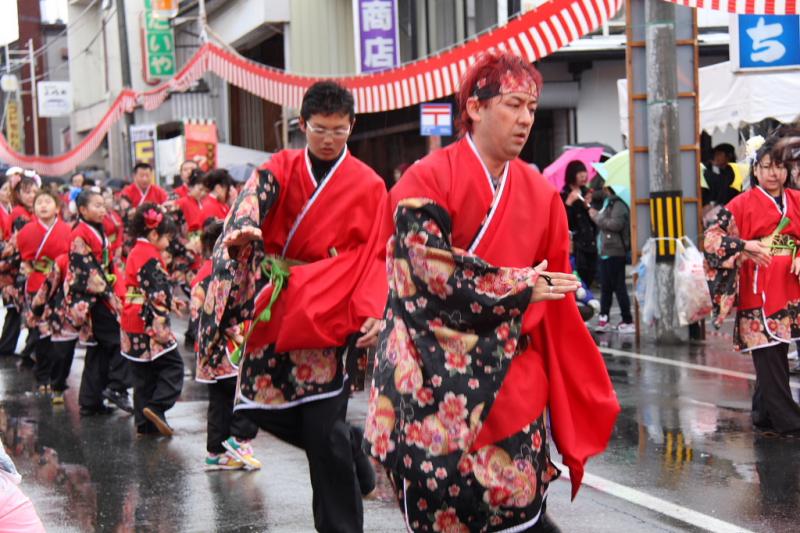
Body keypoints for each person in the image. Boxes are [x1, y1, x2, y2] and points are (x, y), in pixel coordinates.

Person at [363, 51, 619, 532]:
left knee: (519, 516)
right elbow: (425, 274)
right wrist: (520, 285)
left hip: (512, 383)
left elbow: (555, 295)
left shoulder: (541, 195)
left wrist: (571, 388)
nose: (525, 119)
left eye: (532, 107)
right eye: (513, 104)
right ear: (475, 108)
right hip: (430, 382)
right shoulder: (427, 178)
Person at [199, 80, 386, 533]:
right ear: (302, 125)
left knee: (324, 428)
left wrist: (372, 308)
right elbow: (250, 203)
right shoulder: (279, 168)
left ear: (351, 126)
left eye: (339, 130)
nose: (329, 139)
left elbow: (376, 253)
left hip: (332, 308)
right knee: (254, 410)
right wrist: (244, 229)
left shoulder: (369, 183)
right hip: (280, 304)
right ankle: (351, 444)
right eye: (320, 129)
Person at [704, 135, 800, 437]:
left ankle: (763, 413)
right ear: (755, 169)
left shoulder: (796, 200)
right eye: (767, 167)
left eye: (780, 167)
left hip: (790, 289)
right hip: (759, 291)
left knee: (777, 353)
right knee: (770, 354)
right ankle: (789, 421)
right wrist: (744, 245)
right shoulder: (741, 204)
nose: (774, 174)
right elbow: (711, 240)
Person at [191, 220, 259, 470]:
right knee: (247, 388)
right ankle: (238, 438)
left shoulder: (206, 269)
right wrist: (238, 335)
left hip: (210, 345)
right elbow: (217, 311)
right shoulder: (223, 269)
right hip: (225, 345)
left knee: (219, 400)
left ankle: (216, 451)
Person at [121, 204, 185, 437]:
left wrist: (169, 300)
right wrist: (170, 301)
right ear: (154, 234)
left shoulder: (136, 251)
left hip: (131, 316)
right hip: (147, 319)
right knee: (172, 365)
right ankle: (157, 407)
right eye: (167, 238)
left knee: (143, 373)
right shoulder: (148, 254)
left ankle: (144, 424)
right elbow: (158, 290)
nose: (169, 243)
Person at [66, 189, 131, 416]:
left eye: (103, 205)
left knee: (99, 348)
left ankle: (90, 401)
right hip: (92, 296)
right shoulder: (79, 234)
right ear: (82, 210)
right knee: (117, 339)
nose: (102, 210)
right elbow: (85, 269)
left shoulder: (96, 230)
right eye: (97, 206)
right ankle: (117, 387)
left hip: (101, 290)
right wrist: (108, 291)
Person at [17, 190, 72, 393]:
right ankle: (43, 377)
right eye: (39, 202)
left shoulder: (67, 229)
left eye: (48, 202)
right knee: (42, 332)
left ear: (57, 207)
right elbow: (23, 257)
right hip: (38, 282)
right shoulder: (26, 231)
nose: (43, 206)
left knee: (60, 331)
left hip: (60, 282)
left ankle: (57, 377)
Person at [589, 185, 634, 333]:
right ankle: (604, 318)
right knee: (606, 288)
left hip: (615, 251)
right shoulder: (609, 203)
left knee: (619, 287)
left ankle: (627, 319)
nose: (603, 190)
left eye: (605, 188)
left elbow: (616, 224)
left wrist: (597, 217)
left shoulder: (619, 205)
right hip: (605, 251)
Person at [561, 160, 598, 287]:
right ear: (572, 175)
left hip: (591, 243)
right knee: (578, 281)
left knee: (590, 276)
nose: (584, 177)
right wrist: (569, 203)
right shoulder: (564, 194)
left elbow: (595, 220)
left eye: (584, 174)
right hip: (576, 246)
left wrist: (588, 206)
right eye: (580, 174)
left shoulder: (588, 193)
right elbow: (564, 222)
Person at [702, 143, 739, 208]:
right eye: (715, 154)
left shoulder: (732, 173)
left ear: (729, 156)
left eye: (719, 154)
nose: (716, 157)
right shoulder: (722, 172)